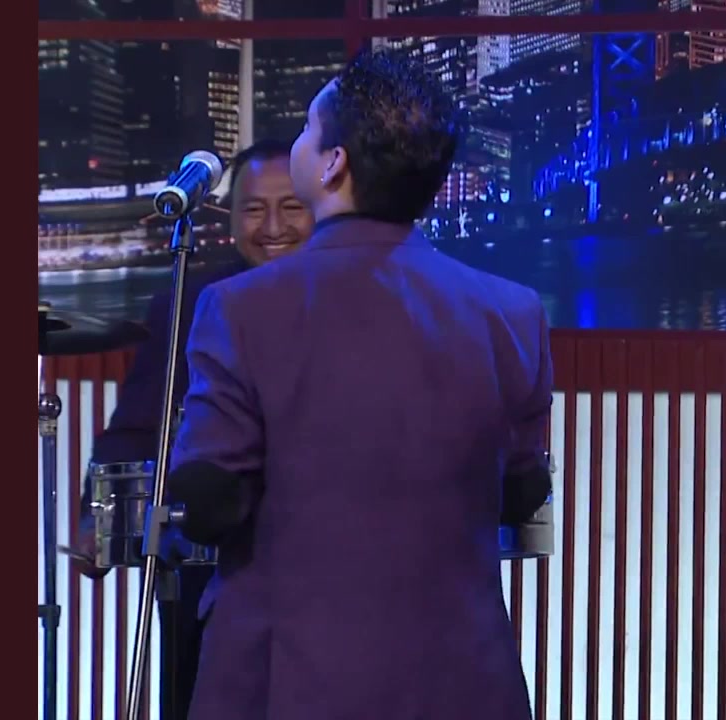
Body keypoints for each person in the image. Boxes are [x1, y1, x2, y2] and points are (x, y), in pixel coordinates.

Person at [168, 47, 551, 720]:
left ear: (332, 164)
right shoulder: (513, 311)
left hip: (288, 681)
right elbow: (523, 492)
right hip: (464, 681)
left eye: (308, 130)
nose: (300, 142)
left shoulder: (240, 308)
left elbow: (209, 501)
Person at [70, 138, 315, 720]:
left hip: (323, 574)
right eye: (254, 209)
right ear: (229, 219)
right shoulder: (188, 300)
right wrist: (94, 519)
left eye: (291, 207)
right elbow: (136, 427)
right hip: (204, 569)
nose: (273, 227)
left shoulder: (356, 303)